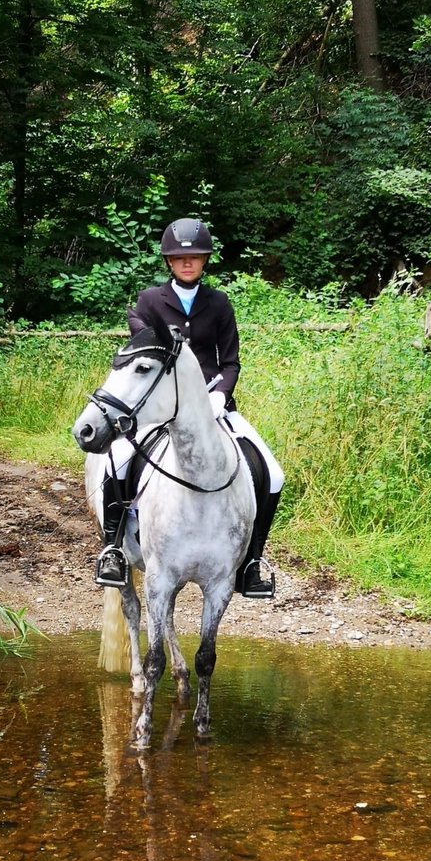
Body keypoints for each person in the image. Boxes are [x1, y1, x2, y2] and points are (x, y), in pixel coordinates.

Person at [94, 217, 285, 599]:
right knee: (117, 456)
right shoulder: (150, 302)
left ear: (204, 261)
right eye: (180, 258)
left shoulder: (219, 303)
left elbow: (230, 361)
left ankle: (250, 563)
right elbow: (142, 358)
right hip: (160, 407)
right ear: (168, 261)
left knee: (272, 472)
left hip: (212, 405)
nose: (187, 263)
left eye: (195, 257)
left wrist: (219, 396)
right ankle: (114, 548)